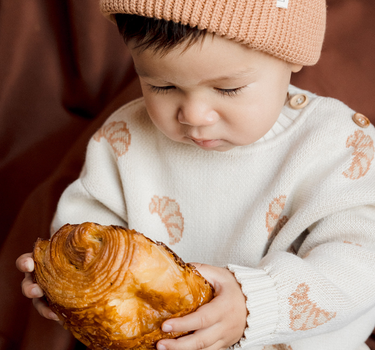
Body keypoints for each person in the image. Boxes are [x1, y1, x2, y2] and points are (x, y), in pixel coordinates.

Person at [17, 0, 375, 349]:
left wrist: (258, 302)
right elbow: (90, 226)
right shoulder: (124, 138)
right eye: (163, 86)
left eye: (227, 88)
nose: (194, 115)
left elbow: (361, 263)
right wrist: (70, 285)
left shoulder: (340, 146)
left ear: (290, 59)